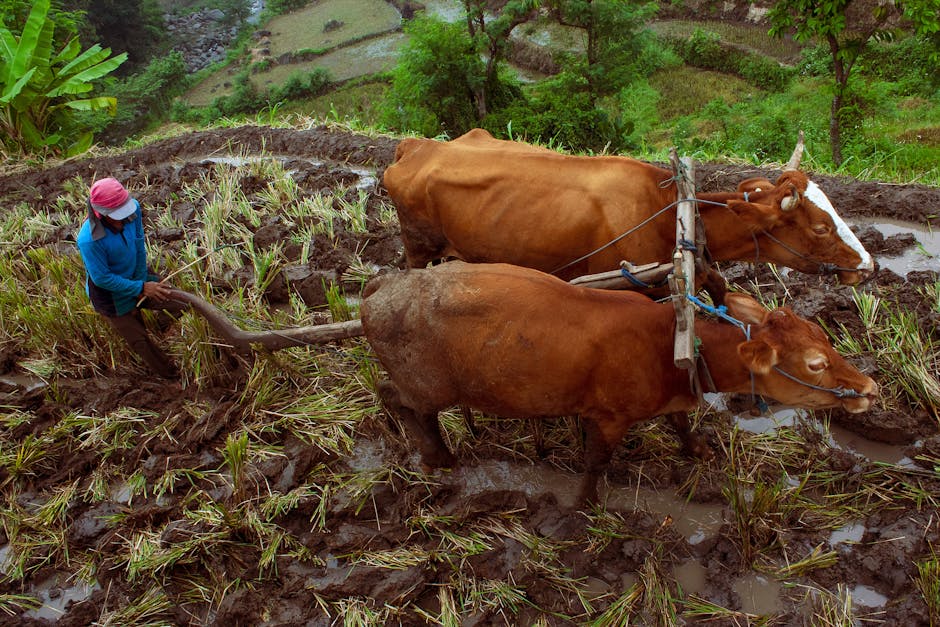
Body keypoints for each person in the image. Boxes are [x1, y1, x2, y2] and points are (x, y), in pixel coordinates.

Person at [76, 177, 184, 379]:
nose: (124, 219)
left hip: (136, 274)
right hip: (111, 295)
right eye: (117, 216)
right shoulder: (89, 240)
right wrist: (139, 289)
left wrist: (142, 282)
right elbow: (102, 279)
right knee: (141, 341)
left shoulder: (132, 209)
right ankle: (170, 377)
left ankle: (160, 327)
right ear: (101, 214)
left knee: (178, 300)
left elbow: (138, 246)